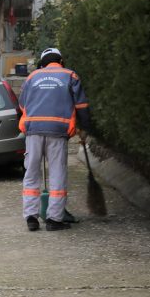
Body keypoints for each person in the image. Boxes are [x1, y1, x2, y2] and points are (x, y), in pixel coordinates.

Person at [19, 48, 90, 232]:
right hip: (58, 132)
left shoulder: (32, 77)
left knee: (31, 172)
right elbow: (82, 106)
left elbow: (22, 105)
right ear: (61, 61)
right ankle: (54, 219)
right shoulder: (70, 75)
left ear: (42, 63)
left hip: (33, 131)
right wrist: (84, 129)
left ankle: (31, 218)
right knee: (57, 173)